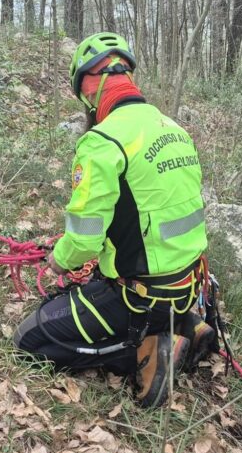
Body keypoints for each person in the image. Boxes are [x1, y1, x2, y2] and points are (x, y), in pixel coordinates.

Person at [14, 32, 217, 407]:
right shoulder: (173, 129)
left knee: (30, 340)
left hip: (139, 296)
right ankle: (188, 322)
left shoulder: (103, 142)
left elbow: (85, 239)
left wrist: (58, 259)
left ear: (88, 91)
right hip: (188, 283)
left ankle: (152, 348)